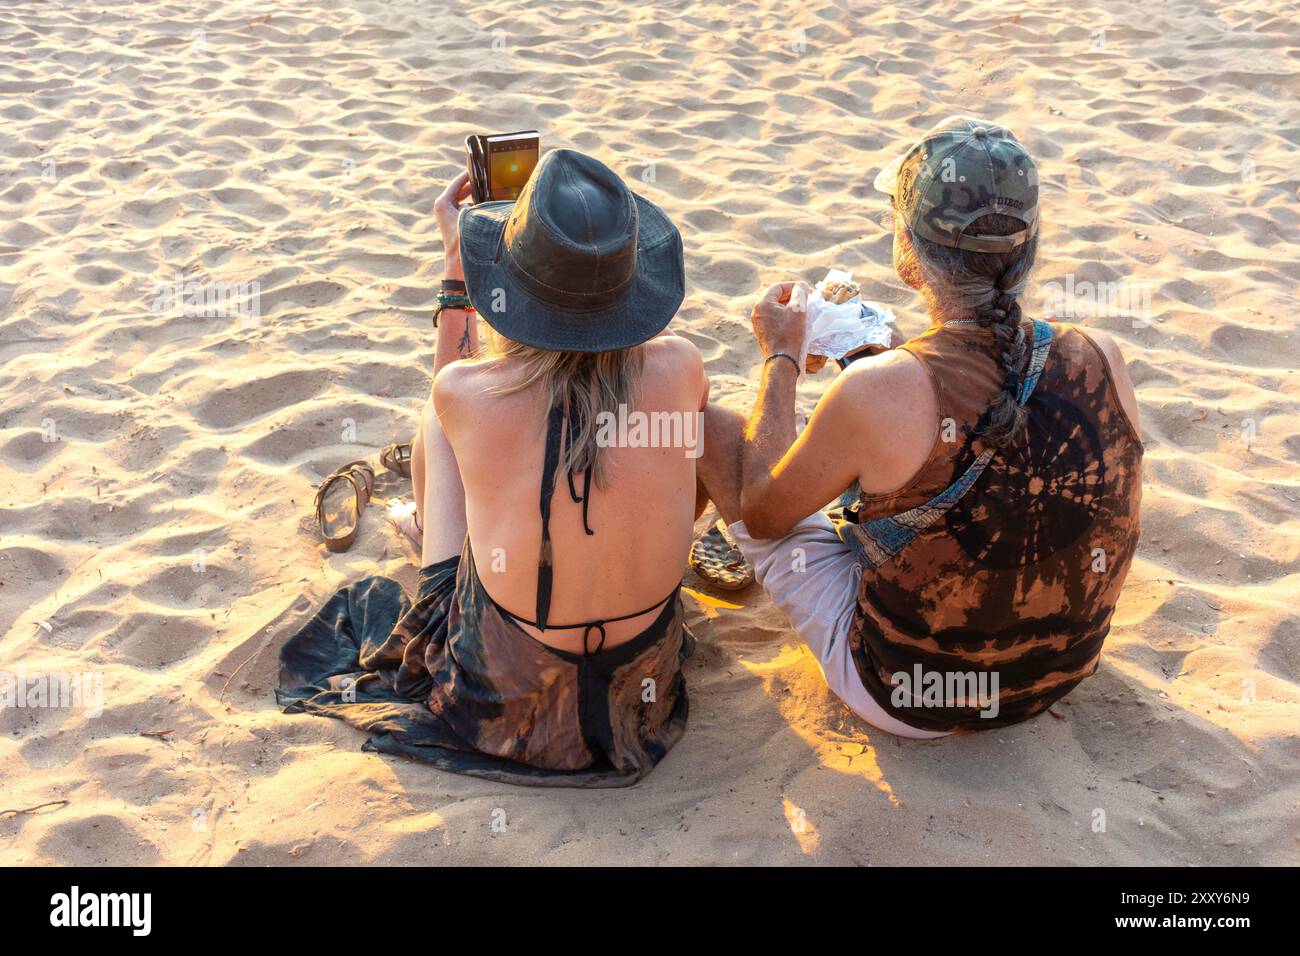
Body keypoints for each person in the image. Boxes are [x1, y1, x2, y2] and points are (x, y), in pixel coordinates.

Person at [697, 116, 1144, 736]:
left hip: (908, 697)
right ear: (1030, 248)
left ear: (908, 249)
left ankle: (638, 600)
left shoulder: (878, 392)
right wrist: (891, 365)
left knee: (712, 430)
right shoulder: (1103, 354)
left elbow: (764, 512)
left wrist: (781, 357)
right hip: (1054, 675)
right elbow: (1000, 436)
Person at [279, 148, 711, 786]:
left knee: (439, 418)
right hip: (640, 689)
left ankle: (443, 535)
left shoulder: (468, 393)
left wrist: (456, 266)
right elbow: (687, 490)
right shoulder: (681, 365)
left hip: (506, 698)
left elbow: (455, 405)